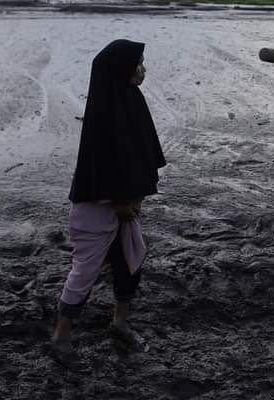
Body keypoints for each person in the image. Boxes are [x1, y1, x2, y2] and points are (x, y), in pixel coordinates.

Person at [51, 39, 167, 361]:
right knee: (84, 271)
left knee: (131, 262)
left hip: (126, 208)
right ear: (120, 69)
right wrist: (118, 202)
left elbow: (140, 155)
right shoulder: (103, 113)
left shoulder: (131, 100)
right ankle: (61, 335)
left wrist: (135, 199)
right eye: (138, 64)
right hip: (97, 208)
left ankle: (120, 322)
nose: (143, 69)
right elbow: (100, 166)